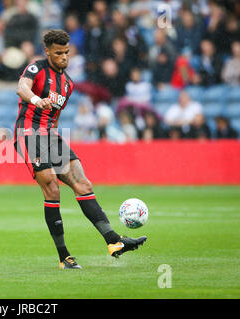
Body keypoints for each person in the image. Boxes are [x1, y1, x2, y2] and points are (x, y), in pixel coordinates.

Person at [13, 30, 147, 269]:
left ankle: (114, 241)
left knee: (83, 184)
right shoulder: (36, 68)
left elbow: (55, 117)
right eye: (58, 53)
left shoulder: (68, 84)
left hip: (50, 135)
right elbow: (22, 88)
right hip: (28, 132)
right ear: (47, 51)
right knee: (52, 189)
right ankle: (64, 257)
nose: (64, 57)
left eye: (66, 52)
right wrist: (35, 100)